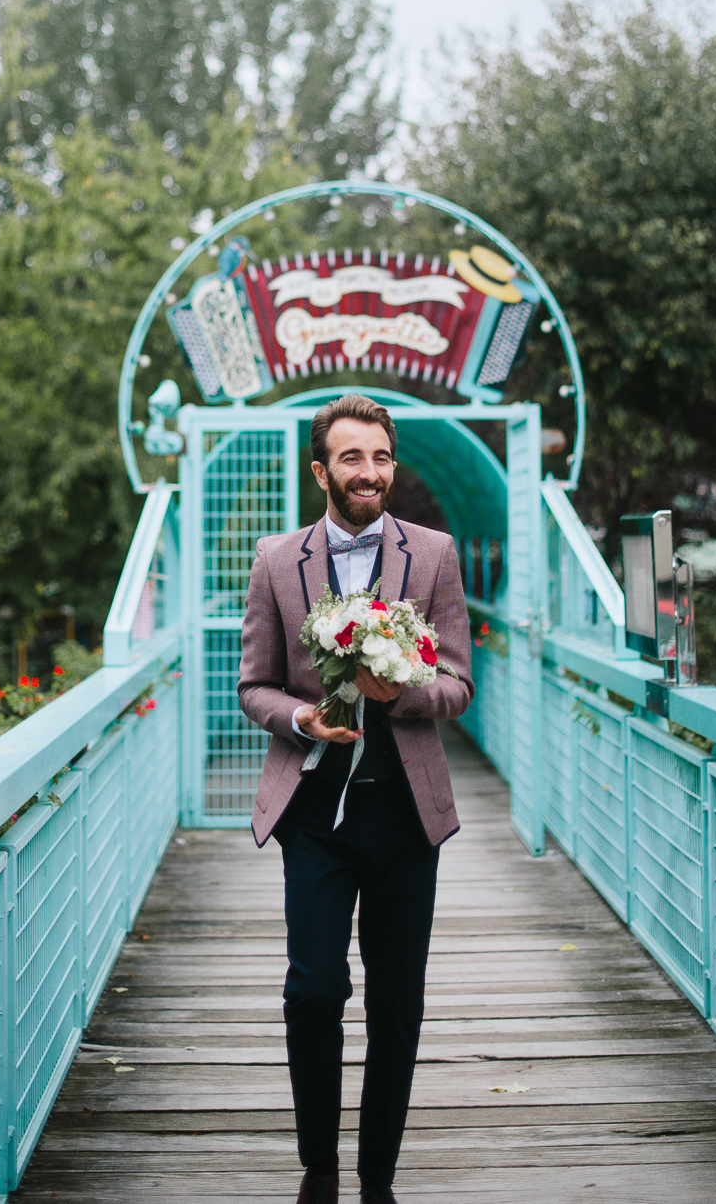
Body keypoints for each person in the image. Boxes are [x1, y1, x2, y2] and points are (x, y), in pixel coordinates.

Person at [238, 393, 473, 1204]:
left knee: (396, 1000)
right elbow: (253, 685)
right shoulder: (276, 560)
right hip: (313, 811)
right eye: (351, 457)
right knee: (312, 989)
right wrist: (301, 716)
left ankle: (378, 1177)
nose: (368, 472)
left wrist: (402, 687)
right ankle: (320, 1165)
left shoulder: (435, 554)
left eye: (379, 457)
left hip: (407, 813)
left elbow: (459, 684)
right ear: (321, 470)